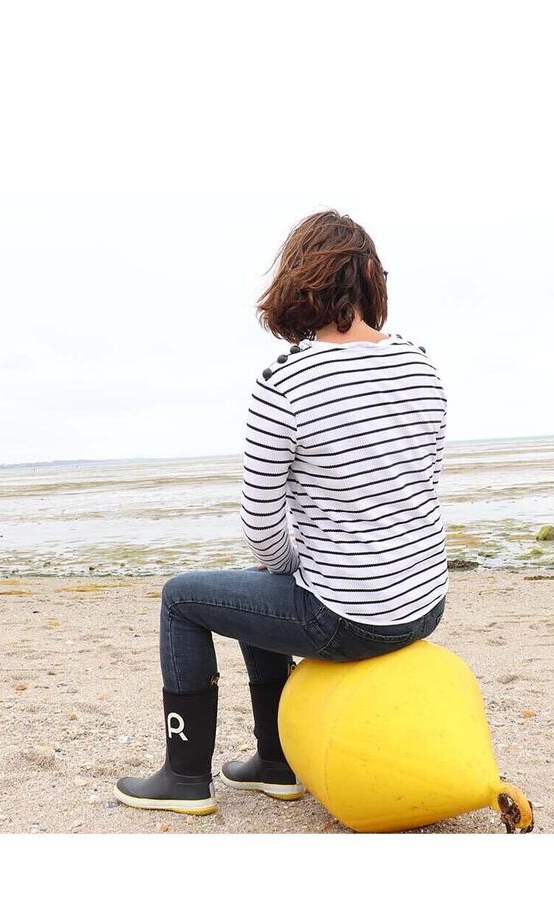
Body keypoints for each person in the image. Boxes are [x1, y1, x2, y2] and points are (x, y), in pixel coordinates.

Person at [116, 210, 449, 815]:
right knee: (263, 588)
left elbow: (260, 524)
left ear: (298, 281)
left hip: (349, 619)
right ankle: (275, 762)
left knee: (182, 598)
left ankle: (184, 777)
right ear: (370, 276)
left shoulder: (286, 383)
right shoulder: (422, 365)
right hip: (424, 606)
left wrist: (292, 563)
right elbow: (416, 484)